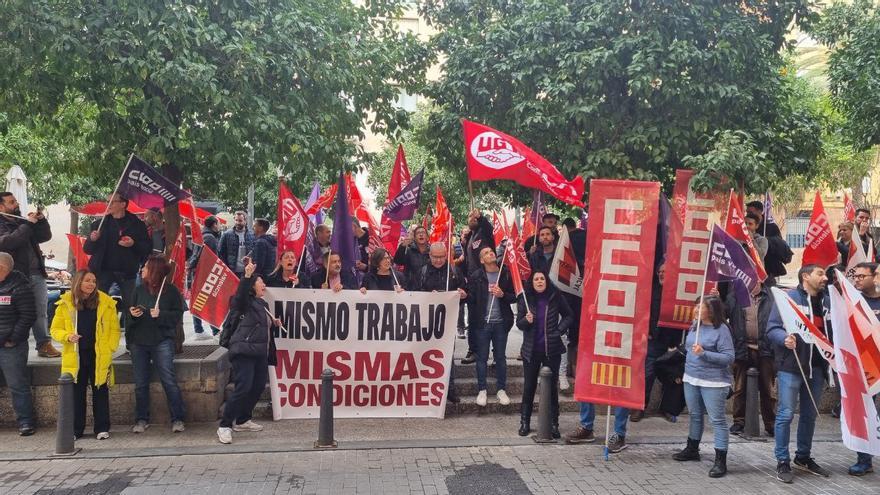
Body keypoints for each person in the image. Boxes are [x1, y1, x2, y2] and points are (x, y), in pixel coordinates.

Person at [766, 264, 832, 483]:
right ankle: (782, 460)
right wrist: (783, 339)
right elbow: (772, 328)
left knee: (809, 416)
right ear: (806, 276)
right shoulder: (789, 298)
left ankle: (803, 457)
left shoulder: (828, 302)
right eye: (820, 273)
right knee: (785, 415)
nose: (824, 278)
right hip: (791, 367)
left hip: (818, 369)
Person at [50, 270, 121, 440]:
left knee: (100, 390)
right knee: (76, 393)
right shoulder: (66, 303)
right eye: (87, 280)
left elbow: (114, 329)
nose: (91, 284)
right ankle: (76, 429)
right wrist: (67, 336)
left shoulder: (106, 302)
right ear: (78, 282)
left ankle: (102, 428)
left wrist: (110, 348)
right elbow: (55, 329)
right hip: (75, 354)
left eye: (94, 281)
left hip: (98, 354)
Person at [217, 260, 280, 444]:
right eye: (261, 283)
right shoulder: (242, 301)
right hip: (243, 350)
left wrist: (274, 324)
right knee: (243, 387)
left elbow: (261, 328)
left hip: (260, 352)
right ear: (252, 286)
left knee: (258, 386)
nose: (264, 286)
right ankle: (225, 425)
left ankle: (243, 420)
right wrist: (246, 276)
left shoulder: (263, 305)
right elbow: (240, 296)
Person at [672, 295, 735, 478]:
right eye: (696, 306)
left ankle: (720, 460)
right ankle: (692, 448)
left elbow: (728, 358)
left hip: (713, 381)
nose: (697, 310)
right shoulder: (694, 325)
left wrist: (705, 354)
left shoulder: (722, 330)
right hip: (691, 377)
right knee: (694, 415)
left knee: (717, 420)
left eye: (702, 307)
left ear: (712, 310)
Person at [126, 255, 186, 433]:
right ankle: (141, 418)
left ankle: (178, 418)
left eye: (145, 267)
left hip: (162, 341)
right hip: (139, 342)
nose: (142, 270)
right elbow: (130, 314)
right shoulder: (138, 289)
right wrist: (133, 314)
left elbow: (177, 316)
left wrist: (161, 315)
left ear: (154, 270)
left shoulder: (171, 291)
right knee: (140, 383)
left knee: (169, 380)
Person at [0, 192, 60, 358]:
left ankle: (43, 344)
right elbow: (9, 242)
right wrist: (27, 225)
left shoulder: (23, 222)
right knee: (18, 312)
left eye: (16, 201)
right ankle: (14, 343)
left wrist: (41, 221)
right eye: (11, 202)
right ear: (1, 207)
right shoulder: (6, 225)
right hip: (16, 277)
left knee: (41, 310)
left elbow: (45, 236)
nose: (16, 204)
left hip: (36, 274)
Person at [516, 271, 573, 438]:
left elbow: (569, 315)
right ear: (532, 282)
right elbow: (519, 324)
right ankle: (525, 422)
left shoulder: (555, 296)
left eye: (542, 278)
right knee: (529, 387)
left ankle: (554, 424)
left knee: (552, 389)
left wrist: (559, 330)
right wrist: (526, 320)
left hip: (552, 350)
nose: (539, 281)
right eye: (536, 279)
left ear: (546, 281)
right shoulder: (525, 298)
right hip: (531, 351)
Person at [413, 242, 467, 404]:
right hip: (426, 322)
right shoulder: (422, 272)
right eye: (435, 257)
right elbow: (412, 294)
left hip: (447, 322)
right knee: (425, 355)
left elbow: (466, 292)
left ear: (446, 255)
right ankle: (424, 388)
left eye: (442, 257)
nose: (438, 260)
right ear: (429, 256)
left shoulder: (454, 271)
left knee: (447, 356)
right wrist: (429, 296)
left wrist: (463, 294)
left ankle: (450, 390)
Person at [725, 281, 776, 438]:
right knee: (740, 388)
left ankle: (771, 424)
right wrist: (715, 300)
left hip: (766, 349)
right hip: (742, 348)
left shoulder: (772, 296)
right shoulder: (735, 296)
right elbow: (722, 315)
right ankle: (739, 421)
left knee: (768, 389)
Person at [83, 193, 151, 309]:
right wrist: (92, 240)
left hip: (127, 273)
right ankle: (100, 327)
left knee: (131, 307)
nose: (107, 204)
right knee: (98, 305)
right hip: (102, 271)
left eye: (112, 202)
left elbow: (146, 248)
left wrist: (133, 244)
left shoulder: (137, 225)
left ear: (123, 204)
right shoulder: (99, 224)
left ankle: (130, 327)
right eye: (107, 201)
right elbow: (87, 250)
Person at [467, 246, 515, 407]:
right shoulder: (476, 276)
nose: (490, 253)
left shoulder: (505, 272)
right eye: (486, 253)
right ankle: (482, 390)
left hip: (501, 323)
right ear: (481, 260)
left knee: (500, 357)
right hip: (483, 323)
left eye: (491, 251)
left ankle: (501, 389)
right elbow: (471, 300)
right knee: (482, 357)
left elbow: (515, 296)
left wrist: (503, 295)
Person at [848, 262, 880, 476]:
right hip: (862, 366)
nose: (857, 279)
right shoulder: (852, 301)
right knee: (864, 413)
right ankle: (864, 459)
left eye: (862, 276)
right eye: (855, 276)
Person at [0, 252, 36, 436]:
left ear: (3, 268)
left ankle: (25, 422)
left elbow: (28, 315)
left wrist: (12, 338)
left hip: (11, 346)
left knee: (17, 384)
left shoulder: (20, 286)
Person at [189, 216, 222, 339]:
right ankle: (214, 330)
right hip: (206, 273)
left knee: (200, 300)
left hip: (199, 273)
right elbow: (207, 257)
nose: (219, 226)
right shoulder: (210, 238)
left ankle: (199, 329)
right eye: (218, 223)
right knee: (209, 301)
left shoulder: (202, 235)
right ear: (214, 225)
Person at [746, 200, 791, 281]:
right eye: (747, 212)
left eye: (750, 212)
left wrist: (764, 240)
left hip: (769, 266)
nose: (748, 214)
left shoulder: (770, 226)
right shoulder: (745, 226)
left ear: (759, 211)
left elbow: (778, 242)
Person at [217, 211, 255, 278]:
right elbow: (220, 252)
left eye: (240, 220)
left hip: (247, 271)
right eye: (236, 220)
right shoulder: (227, 234)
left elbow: (254, 251)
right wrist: (225, 267)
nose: (237, 223)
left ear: (245, 221)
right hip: (232, 270)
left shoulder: (252, 234)